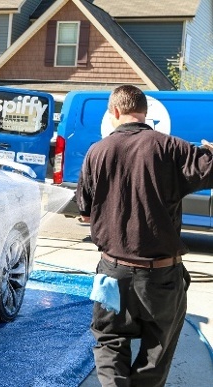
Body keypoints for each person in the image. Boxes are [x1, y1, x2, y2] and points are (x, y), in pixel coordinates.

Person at [76, 84, 213, 386]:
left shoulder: (96, 152)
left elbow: (84, 212)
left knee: (110, 341)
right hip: (160, 277)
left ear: (115, 111)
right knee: (156, 350)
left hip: (112, 272)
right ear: (145, 114)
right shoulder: (172, 148)